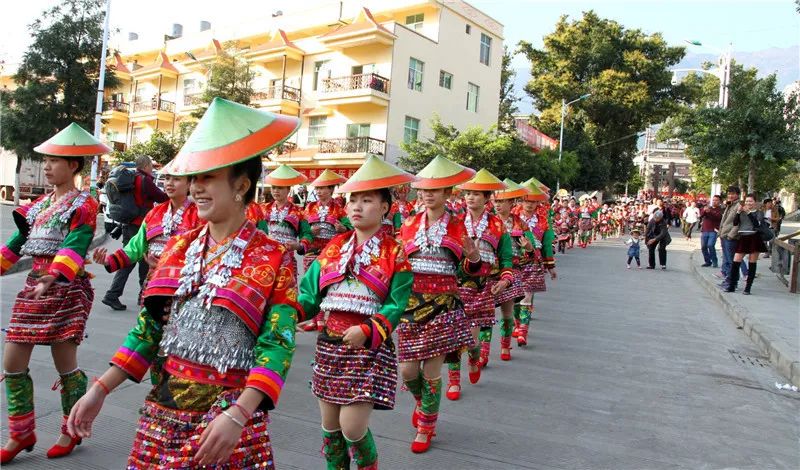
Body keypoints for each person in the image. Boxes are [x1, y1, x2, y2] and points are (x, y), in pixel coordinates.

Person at [67, 98, 303, 468]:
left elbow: (278, 344)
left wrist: (240, 415)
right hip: (164, 408)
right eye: (194, 178)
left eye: (208, 177)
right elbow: (148, 331)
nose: (195, 188)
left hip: (229, 417)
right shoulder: (179, 245)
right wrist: (100, 389)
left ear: (241, 184)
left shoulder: (274, 257)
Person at [297, 155, 415, 470]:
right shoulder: (334, 246)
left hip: (366, 350)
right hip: (329, 347)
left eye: (367, 200)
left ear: (385, 208)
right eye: (354, 201)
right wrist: (289, 313)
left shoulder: (395, 253)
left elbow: (396, 303)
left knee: (352, 426)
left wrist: (368, 329)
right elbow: (309, 293)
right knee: (330, 426)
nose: (357, 207)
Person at [0, 123, 107, 463]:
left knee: (66, 366)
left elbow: (76, 243)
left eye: (54, 160)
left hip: (66, 288)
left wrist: (56, 274)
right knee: (12, 361)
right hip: (33, 287)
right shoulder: (39, 205)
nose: (46, 166)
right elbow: (18, 243)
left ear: (74, 165)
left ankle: (69, 429)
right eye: (44, 160)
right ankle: (21, 432)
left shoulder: (84, 204)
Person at [396, 155, 479, 453]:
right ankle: (423, 404)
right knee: (407, 371)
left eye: (435, 189)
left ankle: (426, 426)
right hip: (410, 305)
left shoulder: (458, 227)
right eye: (424, 189)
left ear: (447, 193)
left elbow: (473, 273)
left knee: (431, 372)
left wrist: (474, 258)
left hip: (444, 305)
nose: (427, 194)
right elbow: (398, 266)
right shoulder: (407, 225)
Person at [446, 169, 513, 401]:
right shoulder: (453, 222)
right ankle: (454, 381)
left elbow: (505, 259)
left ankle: (474, 358)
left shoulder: (497, 226)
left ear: (487, 199)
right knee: (454, 337)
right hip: (455, 285)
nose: (471, 198)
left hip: (483, 286)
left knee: (473, 340)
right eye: (468, 193)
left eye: (477, 194)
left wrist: (505, 280)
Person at [93, 160, 200, 304]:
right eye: (167, 178)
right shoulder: (154, 214)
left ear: (189, 184)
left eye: (176, 179)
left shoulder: (199, 216)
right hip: (154, 286)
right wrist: (109, 260)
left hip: (184, 289)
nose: (169, 183)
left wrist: (167, 263)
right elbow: (136, 246)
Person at [101, 155, 168, 311]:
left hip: (128, 223)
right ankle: (117, 294)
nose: (152, 168)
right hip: (140, 224)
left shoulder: (131, 179)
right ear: (145, 165)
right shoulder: (145, 180)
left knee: (137, 259)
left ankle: (140, 294)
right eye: (151, 165)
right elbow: (162, 197)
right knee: (137, 259)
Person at [298, 169, 353, 332]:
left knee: (326, 284)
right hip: (312, 250)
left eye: (323, 188)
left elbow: (350, 228)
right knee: (311, 285)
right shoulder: (309, 208)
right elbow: (302, 228)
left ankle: (321, 318)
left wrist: (342, 228)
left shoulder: (338, 209)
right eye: (317, 188)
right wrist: (309, 232)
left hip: (330, 252)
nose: (319, 192)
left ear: (331, 189)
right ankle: (315, 318)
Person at [261, 164, 312, 278]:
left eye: (280, 188)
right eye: (274, 187)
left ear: (288, 189)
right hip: (266, 258)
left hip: (287, 259)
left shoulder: (298, 212)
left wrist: (298, 246)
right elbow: (256, 231)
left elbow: (307, 234)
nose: (276, 191)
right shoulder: (264, 209)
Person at [724, 194, 768, 295]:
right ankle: (732, 285)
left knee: (752, 264)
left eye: (751, 201)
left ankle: (748, 288)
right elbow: (735, 223)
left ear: (755, 202)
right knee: (736, 262)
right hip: (743, 237)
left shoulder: (759, 213)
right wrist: (738, 212)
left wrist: (748, 213)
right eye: (747, 201)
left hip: (754, 237)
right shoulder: (742, 212)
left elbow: (756, 224)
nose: (748, 203)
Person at [718, 186, 748, 285]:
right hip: (724, 235)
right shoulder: (730, 205)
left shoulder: (739, 206)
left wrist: (731, 235)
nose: (730, 195)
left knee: (732, 261)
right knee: (726, 260)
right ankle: (728, 279)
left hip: (730, 237)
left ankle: (732, 282)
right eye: (729, 193)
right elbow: (725, 220)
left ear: (737, 195)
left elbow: (738, 223)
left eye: (733, 194)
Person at [699, 195, 722, 268]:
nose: (714, 201)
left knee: (710, 245)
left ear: (719, 201)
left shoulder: (720, 210)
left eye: (716, 200)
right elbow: (701, 215)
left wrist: (710, 212)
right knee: (703, 247)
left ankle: (714, 261)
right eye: (713, 200)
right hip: (705, 229)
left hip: (713, 230)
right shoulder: (709, 207)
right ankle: (707, 261)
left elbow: (717, 218)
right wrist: (704, 210)